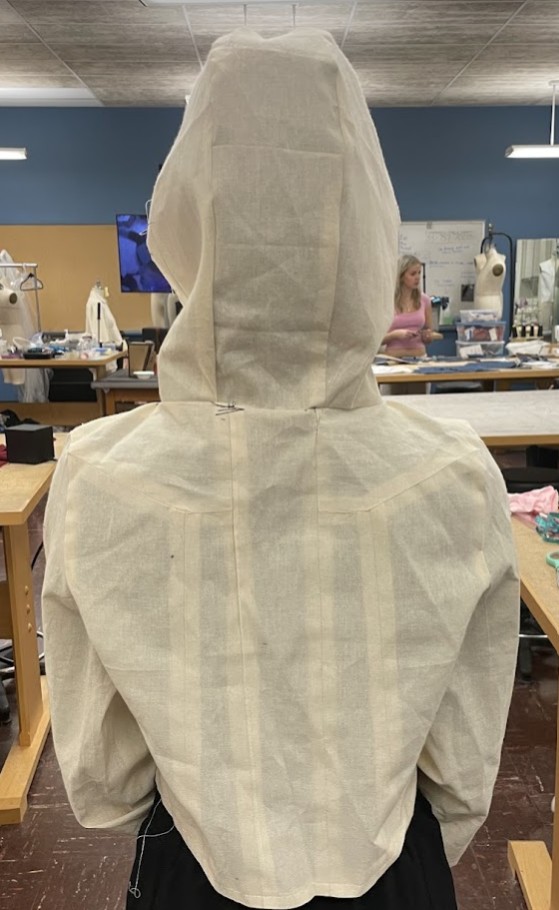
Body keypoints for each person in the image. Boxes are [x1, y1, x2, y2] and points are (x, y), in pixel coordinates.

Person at [42, 28, 519, 910]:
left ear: (187, 217)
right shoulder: (454, 474)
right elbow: (462, 760)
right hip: (392, 869)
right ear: (368, 225)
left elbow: (104, 779)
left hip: (191, 869)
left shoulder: (100, 475)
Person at [381, 255, 435, 358]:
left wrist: (427, 336)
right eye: (413, 274)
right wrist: (395, 335)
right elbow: (377, 341)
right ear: (401, 276)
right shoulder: (387, 301)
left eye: (419, 273)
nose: (417, 277)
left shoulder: (425, 300)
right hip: (393, 359)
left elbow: (429, 333)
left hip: (419, 357)